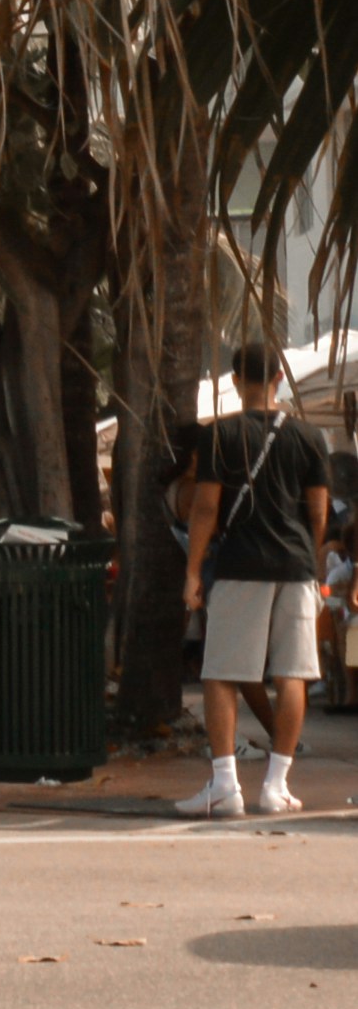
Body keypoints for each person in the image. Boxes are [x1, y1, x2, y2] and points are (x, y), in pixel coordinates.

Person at [178, 339, 332, 818]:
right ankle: (276, 785)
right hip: (296, 566)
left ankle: (226, 785)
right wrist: (310, 560)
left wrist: (193, 571)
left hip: (241, 564)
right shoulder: (309, 437)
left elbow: (206, 508)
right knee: (293, 673)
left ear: (236, 379)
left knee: (222, 674)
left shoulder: (220, 435)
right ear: (278, 379)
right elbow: (319, 513)